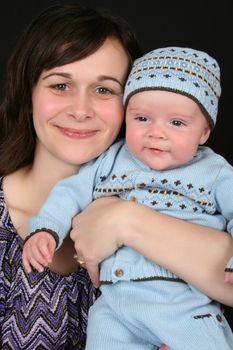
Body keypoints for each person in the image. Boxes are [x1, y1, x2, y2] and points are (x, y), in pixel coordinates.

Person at [23, 46, 233, 349]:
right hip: (114, 306)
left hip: (184, 306)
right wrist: (45, 229)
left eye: (176, 123)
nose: (156, 134)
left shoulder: (215, 172)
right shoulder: (111, 159)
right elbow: (69, 193)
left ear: (203, 132)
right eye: (142, 118)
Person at [0, 3, 143, 349]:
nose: (81, 110)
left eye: (104, 90)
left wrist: (128, 219)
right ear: (28, 92)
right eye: (60, 85)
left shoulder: (154, 210)